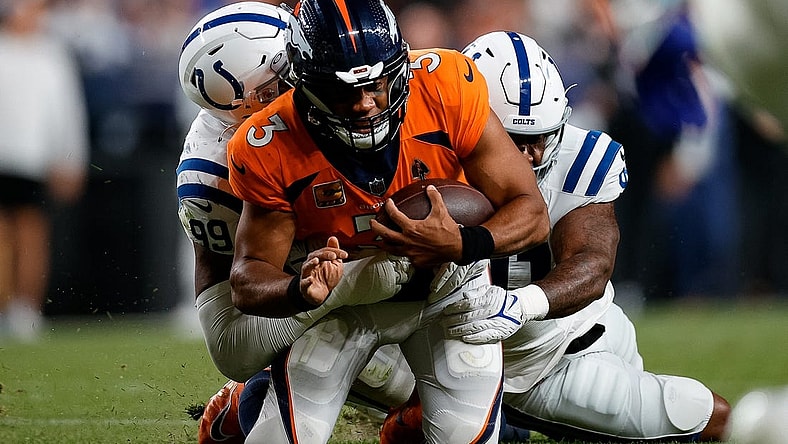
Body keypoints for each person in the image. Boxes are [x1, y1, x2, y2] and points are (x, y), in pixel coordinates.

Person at [381, 31, 731, 443]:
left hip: (559, 355)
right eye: (515, 140)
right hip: (448, 351)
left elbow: (592, 262)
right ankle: (458, 410)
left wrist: (521, 304)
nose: (531, 156)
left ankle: (502, 417)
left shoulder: (581, 160)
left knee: (707, 415)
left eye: (541, 138)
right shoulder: (423, 154)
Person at [225, 0, 550, 442]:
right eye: (343, 92)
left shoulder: (446, 85)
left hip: (448, 290)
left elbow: (530, 210)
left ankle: (411, 423)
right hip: (347, 303)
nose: (363, 104)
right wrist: (297, 288)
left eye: (376, 85)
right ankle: (248, 399)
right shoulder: (269, 140)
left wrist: (463, 243)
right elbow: (247, 276)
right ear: (305, 84)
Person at [176, 3, 417, 442]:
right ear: (253, 102)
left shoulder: (355, 95)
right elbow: (231, 337)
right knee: (398, 373)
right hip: (301, 284)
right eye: (288, 72)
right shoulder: (216, 170)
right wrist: (335, 283)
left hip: (361, 259)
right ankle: (257, 395)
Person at [0, 0, 89, 342]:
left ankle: (26, 310)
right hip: (3, 155)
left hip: (32, 157)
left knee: (31, 235)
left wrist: (70, 158)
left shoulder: (52, 55)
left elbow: (67, 112)